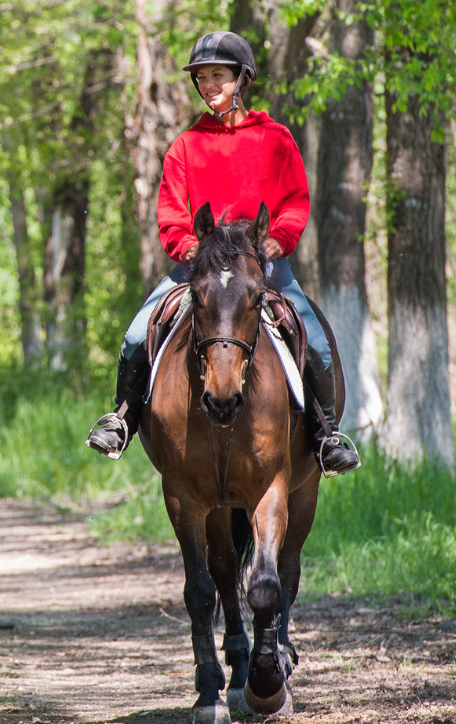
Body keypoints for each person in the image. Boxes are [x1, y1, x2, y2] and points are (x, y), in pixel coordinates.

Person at [85, 31, 360, 475]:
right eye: (202, 78)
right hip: (201, 267)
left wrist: (278, 239)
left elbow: (294, 202)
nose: (210, 86)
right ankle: (122, 419)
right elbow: (172, 214)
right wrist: (192, 248)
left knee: (317, 340)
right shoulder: (185, 147)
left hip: (261, 264)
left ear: (242, 78)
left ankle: (326, 435)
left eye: (219, 76)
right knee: (137, 335)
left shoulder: (276, 139)